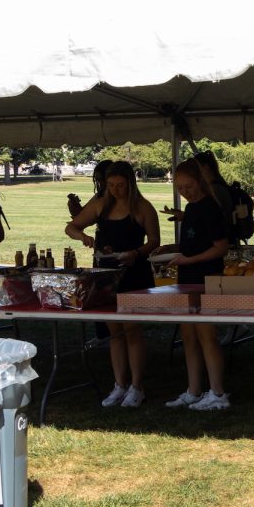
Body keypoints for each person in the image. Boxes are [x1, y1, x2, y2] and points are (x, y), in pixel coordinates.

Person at [65, 161, 160, 408]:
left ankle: (137, 386)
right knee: (114, 332)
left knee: (132, 331)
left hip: (133, 273)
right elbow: (71, 226)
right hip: (106, 274)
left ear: (130, 183)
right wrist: (84, 236)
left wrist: (136, 253)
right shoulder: (100, 204)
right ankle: (119, 384)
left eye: (120, 185)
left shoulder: (142, 207)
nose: (116, 190)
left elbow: (154, 240)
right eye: (111, 185)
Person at [159, 159, 232, 411]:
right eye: (180, 188)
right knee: (188, 336)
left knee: (206, 335)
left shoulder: (210, 207)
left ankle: (218, 393)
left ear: (200, 181)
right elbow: (192, 243)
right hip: (187, 278)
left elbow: (220, 247)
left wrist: (189, 259)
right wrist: (170, 249)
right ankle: (194, 390)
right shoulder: (190, 210)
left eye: (188, 186)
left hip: (206, 279)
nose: (185, 192)